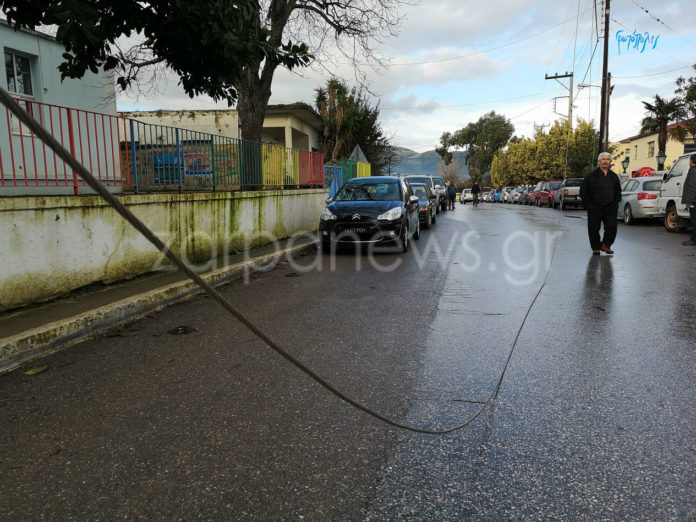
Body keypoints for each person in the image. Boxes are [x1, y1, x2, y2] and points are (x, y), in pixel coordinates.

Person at [580, 151, 622, 255]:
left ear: (610, 162)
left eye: (608, 159)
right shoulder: (591, 176)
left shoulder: (614, 176)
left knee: (612, 227)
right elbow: (583, 191)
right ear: (599, 161)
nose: (605, 161)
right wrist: (589, 204)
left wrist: (615, 203)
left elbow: (618, 191)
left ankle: (606, 245)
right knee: (594, 228)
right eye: (603, 159)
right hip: (595, 206)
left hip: (610, 207)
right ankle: (596, 248)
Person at [682, 154, 696, 246]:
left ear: (692, 161)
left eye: (690, 160)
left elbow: (692, 188)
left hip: (694, 201)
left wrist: (689, 202)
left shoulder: (693, 171)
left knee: (694, 220)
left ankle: (694, 239)